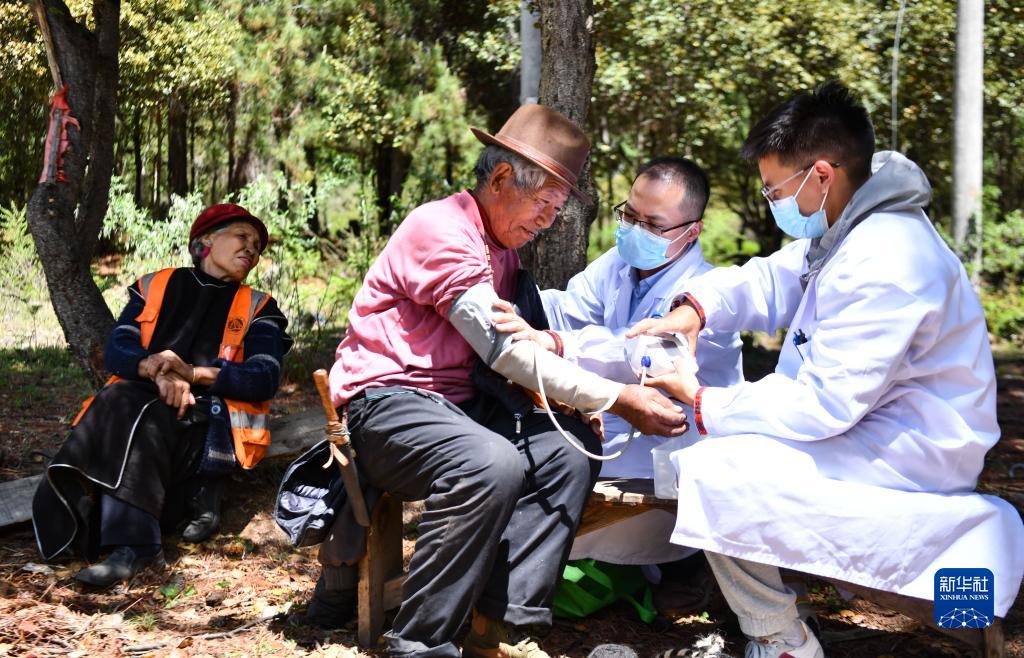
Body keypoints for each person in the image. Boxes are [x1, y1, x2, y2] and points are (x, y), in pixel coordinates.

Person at [630, 81, 1024, 658]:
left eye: (773, 190)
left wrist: (700, 397)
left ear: (819, 175)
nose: (771, 201)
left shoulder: (887, 257)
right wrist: (697, 307)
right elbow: (772, 278)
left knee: (713, 470)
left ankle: (779, 636)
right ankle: (790, 608)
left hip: (908, 452)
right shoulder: (849, 228)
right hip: (871, 429)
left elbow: (823, 405)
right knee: (716, 453)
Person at [302, 104, 689, 658]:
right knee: (490, 462)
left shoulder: (502, 253)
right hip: (386, 406)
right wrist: (618, 398)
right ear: (502, 177)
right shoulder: (442, 229)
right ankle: (418, 643)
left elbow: (515, 351)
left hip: (458, 409)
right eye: (544, 203)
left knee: (568, 451)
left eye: (558, 209)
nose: (548, 220)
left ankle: (498, 628)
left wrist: (568, 392)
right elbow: (504, 352)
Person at [491, 157, 743, 571]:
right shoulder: (620, 265)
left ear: (692, 230)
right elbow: (569, 308)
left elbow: (640, 352)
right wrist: (512, 305)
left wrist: (556, 342)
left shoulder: (706, 296)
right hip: (612, 437)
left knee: (541, 516)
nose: (636, 229)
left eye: (653, 224)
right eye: (630, 215)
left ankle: (683, 573)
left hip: (665, 462)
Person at [32, 203, 292, 588]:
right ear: (205, 241)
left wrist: (193, 374)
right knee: (127, 401)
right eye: (242, 236)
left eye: (257, 246)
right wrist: (157, 370)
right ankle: (89, 530)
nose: (251, 249)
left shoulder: (260, 307)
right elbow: (118, 350)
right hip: (137, 411)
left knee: (144, 412)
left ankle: (134, 546)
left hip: (204, 433)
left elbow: (264, 377)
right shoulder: (155, 285)